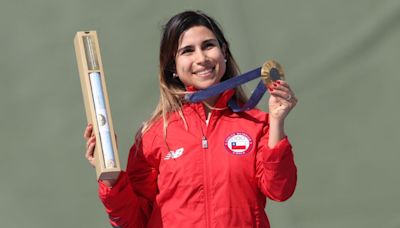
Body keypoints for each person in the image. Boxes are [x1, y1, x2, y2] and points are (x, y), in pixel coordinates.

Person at [84, 10, 298, 228]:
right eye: (187, 51)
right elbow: (132, 221)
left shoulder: (257, 124)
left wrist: (277, 122)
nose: (201, 58)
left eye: (208, 46)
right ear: (172, 66)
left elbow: (279, 190)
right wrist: (109, 178)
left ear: (224, 51)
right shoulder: (155, 135)